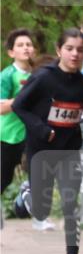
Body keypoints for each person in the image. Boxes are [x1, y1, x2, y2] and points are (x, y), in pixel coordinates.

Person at [12, 28, 83, 254]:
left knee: (70, 204)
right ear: (59, 50)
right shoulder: (44, 78)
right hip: (41, 149)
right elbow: (19, 106)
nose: (75, 54)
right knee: (40, 211)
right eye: (69, 49)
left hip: (69, 150)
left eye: (80, 50)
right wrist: (41, 129)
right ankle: (27, 193)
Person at [1, 29, 36, 202]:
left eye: (29, 44)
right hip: (9, 135)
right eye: (20, 45)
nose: (26, 48)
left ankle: (34, 210)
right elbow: (1, 108)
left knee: (38, 174)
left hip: (33, 134)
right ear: (11, 52)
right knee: (4, 179)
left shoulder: (39, 74)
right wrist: (23, 98)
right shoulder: (7, 75)